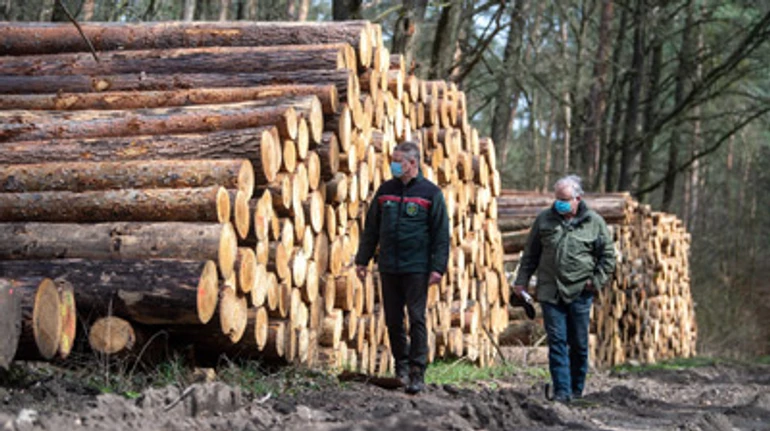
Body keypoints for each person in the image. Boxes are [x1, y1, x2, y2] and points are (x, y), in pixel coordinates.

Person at [355, 141, 450, 395]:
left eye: (398, 161)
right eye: (393, 160)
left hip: (417, 267)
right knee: (393, 320)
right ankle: (402, 368)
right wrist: (362, 259)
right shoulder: (385, 191)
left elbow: (441, 235)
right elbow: (371, 229)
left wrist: (438, 268)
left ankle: (418, 371)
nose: (394, 165)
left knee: (416, 318)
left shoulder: (430, 193)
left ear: (413, 163)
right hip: (389, 266)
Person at [511, 175, 616, 403]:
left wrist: (595, 281)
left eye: (565, 199)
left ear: (578, 198)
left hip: (580, 291)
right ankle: (562, 392)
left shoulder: (594, 222)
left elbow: (608, 257)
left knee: (578, 343)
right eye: (557, 198)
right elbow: (530, 255)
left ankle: (576, 390)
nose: (560, 203)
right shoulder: (544, 220)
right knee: (557, 341)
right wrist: (521, 281)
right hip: (550, 290)